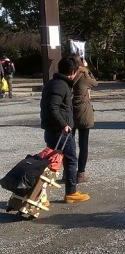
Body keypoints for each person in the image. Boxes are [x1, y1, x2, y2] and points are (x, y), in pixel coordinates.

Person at [40, 57, 90, 203]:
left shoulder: (53, 83)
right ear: (72, 72)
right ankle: (70, 193)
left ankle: (41, 195)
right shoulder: (61, 85)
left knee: (52, 162)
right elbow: (53, 107)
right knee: (69, 160)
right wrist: (64, 124)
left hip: (53, 130)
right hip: (60, 131)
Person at [71, 56, 98, 183]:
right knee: (83, 144)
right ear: (81, 64)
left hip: (70, 111)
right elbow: (95, 83)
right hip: (83, 112)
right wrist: (87, 69)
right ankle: (81, 173)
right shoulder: (84, 76)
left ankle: (68, 172)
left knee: (69, 144)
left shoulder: (68, 76)